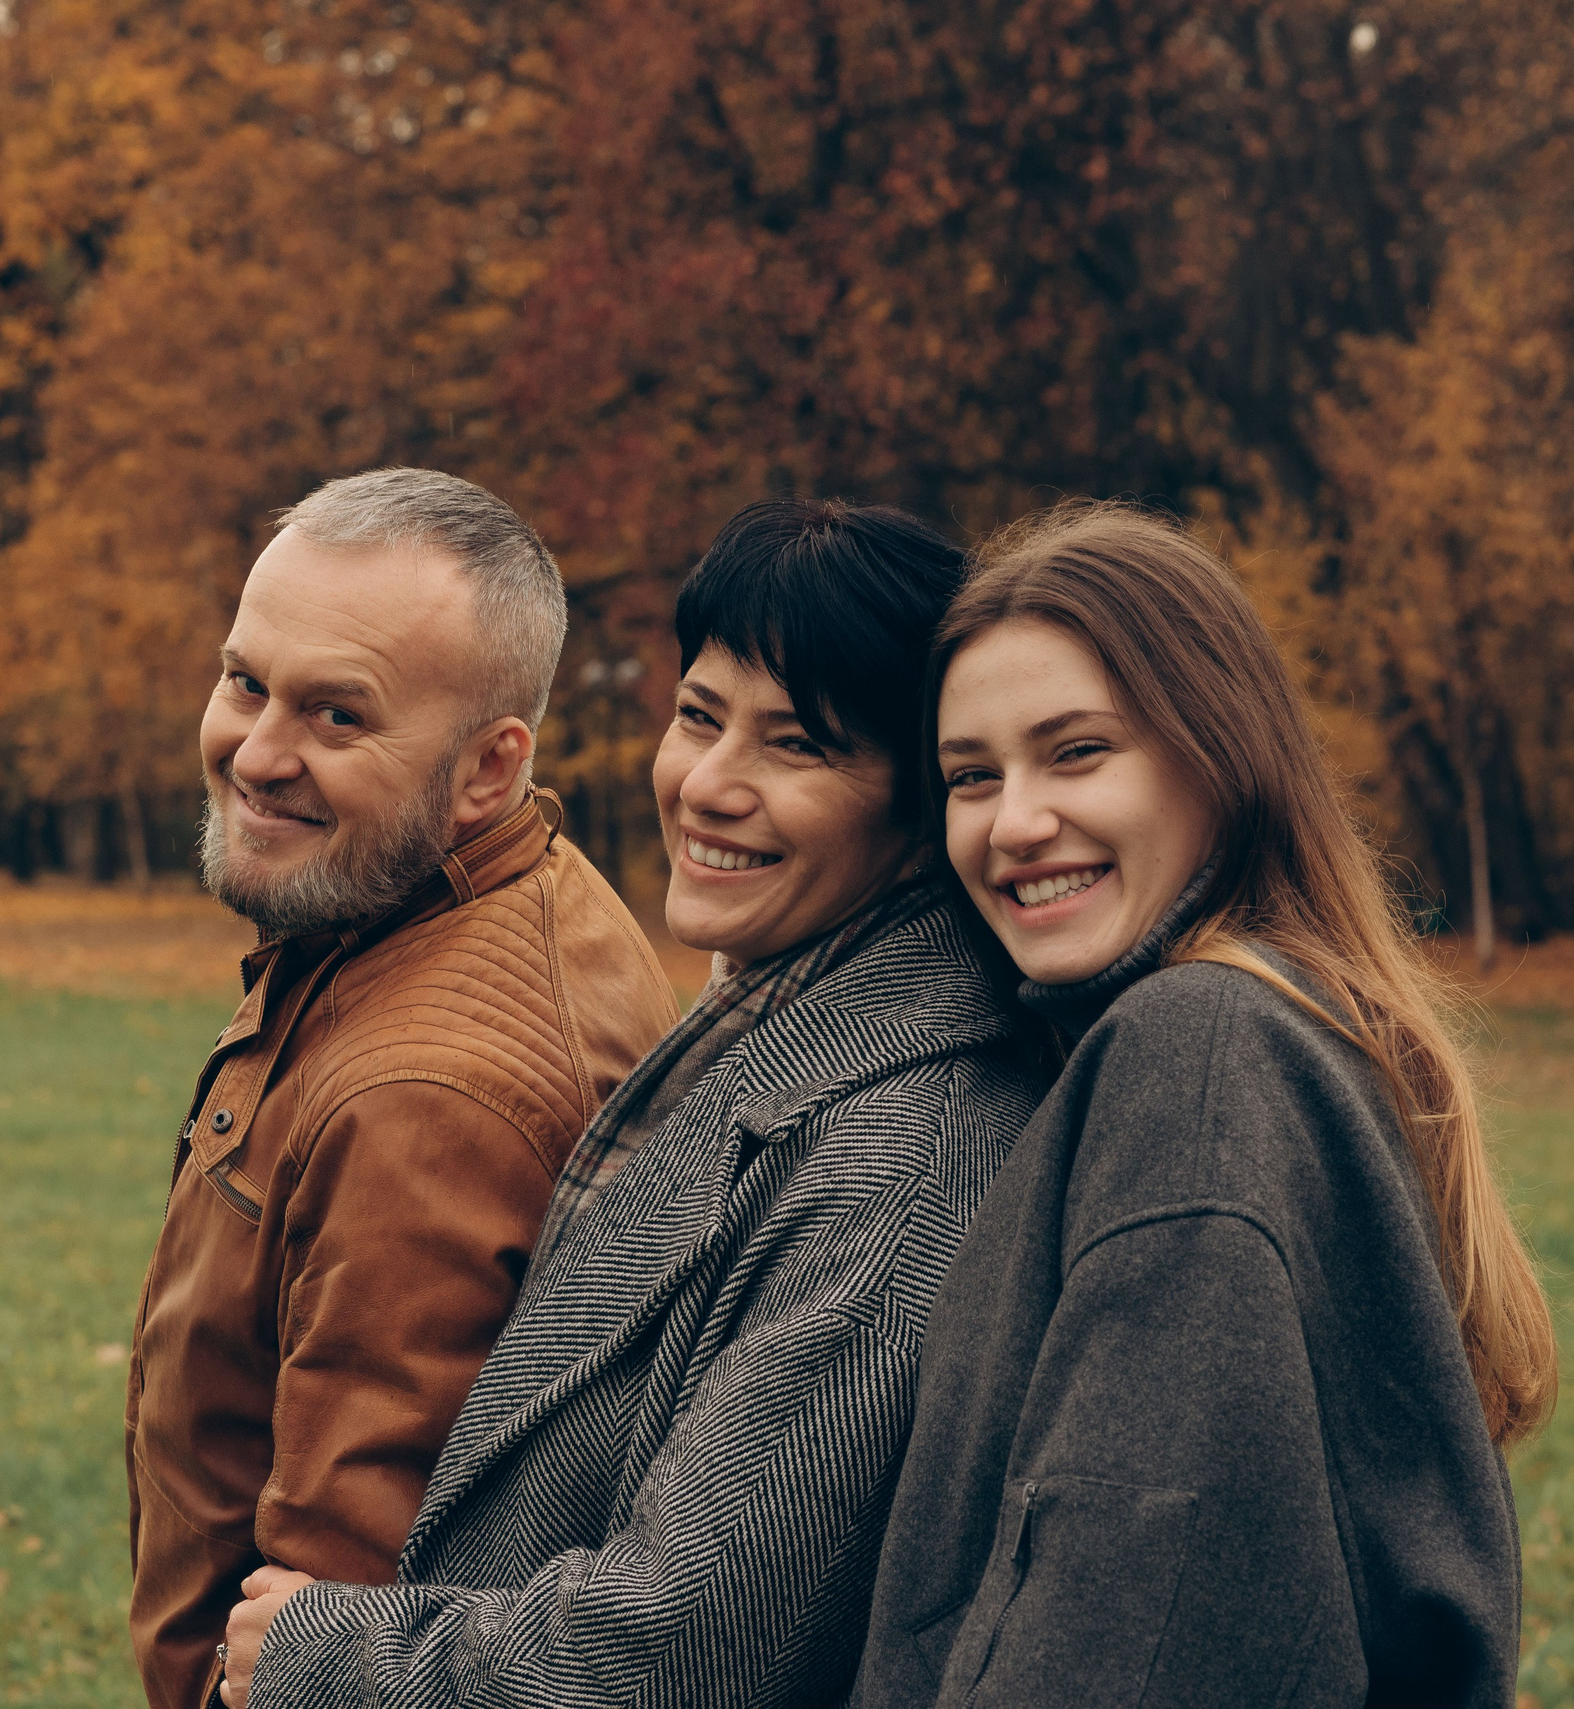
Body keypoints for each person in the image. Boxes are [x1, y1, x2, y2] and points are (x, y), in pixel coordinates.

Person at [214, 499, 1046, 1709]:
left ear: (921, 804)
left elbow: (679, 1649)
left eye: (798, 744)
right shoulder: (770, 1029)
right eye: (699, 717)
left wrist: (323, 1658)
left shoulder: (905, 1160)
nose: (709, 784)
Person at [852, 501, 1558, 1709]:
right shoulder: (1287, 1028)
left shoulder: (1198, 1052)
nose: (1014, 823)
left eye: (1077, 752)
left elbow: (1134, 1609)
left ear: (1218, 751)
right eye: (971, 776)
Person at [124, 467, 682, 1709]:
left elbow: (341, 1613)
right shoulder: (419, 894)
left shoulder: (426, 1097)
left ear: (490, 766)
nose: (256, 753)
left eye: (336, 716)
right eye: (244, 681)